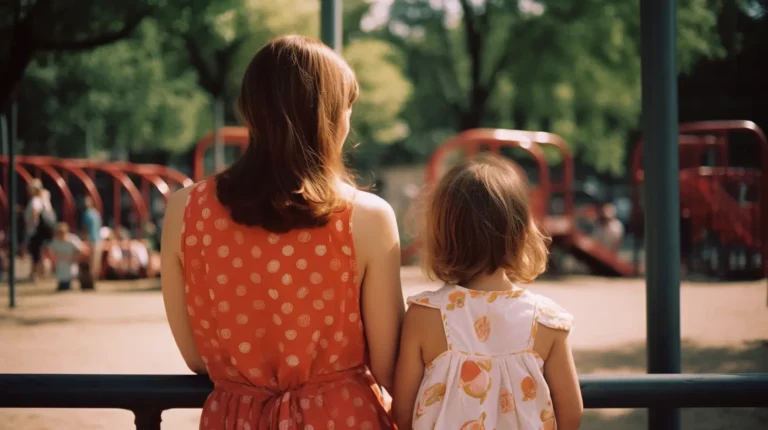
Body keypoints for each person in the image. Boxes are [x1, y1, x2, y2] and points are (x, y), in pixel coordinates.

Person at [161, 35, 404, 430]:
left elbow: (195, 357)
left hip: (238, 418)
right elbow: (387, 362)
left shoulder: (185, 210)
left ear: (250, 111)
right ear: (329, 116)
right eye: (347, 109)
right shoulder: (369, 217)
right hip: (342, 419)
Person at [391, 155, 583, 430]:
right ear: (521, 233)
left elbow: (402, 412)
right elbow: (571, 414)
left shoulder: (425, 315)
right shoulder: (547, 320)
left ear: (442, 235)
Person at [24, 180, 53, 281]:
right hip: (39, 231)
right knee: (39, 252)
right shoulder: (43, 200)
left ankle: (35, 274)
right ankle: (40, 273)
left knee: (35, 253)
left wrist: (29, 224)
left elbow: (35, 212)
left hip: (35, 231)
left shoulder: (36, 200)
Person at [47, 222, 84, 292]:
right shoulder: (55, 241)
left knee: (69, 278)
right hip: (61, 263)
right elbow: (51, 251)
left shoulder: (72, 239)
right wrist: (54, 260)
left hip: (70, 263)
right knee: (61, 279)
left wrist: (74, 259)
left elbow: (80, 250)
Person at [81, 197, 103, 280]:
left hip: (92, 239)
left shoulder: (87, 213)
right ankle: (94, 278)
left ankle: (91, 279)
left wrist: (83, 239)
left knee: (92, 261)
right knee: (96, 261)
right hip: (98, 239)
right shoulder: (96, 213)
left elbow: (85, 228)